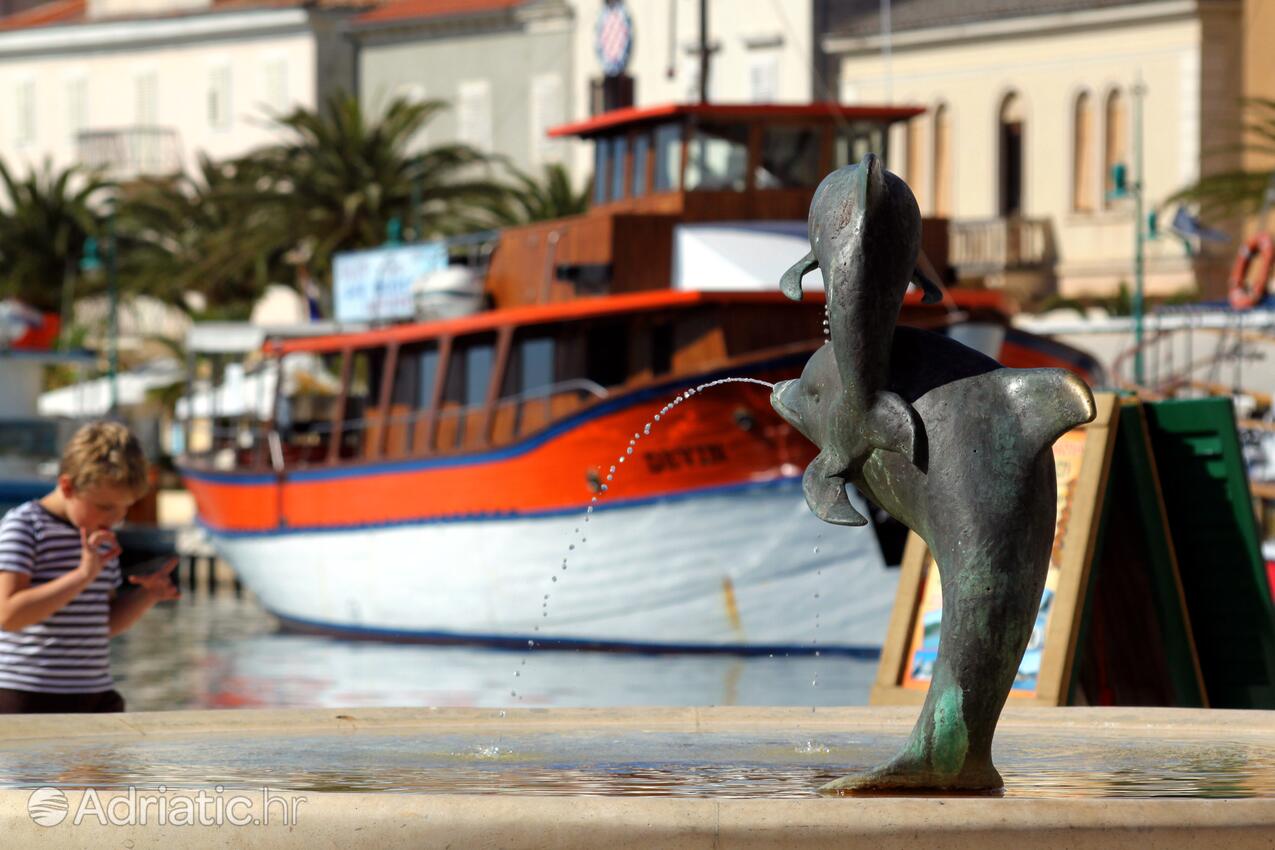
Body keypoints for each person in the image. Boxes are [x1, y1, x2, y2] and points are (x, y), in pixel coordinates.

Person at [0, 420, 179, 713]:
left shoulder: (101, 536)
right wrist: (82, 576)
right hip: (26, 696)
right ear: (67, 486)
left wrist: (147, 597)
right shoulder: (24, 528)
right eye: (106, 506)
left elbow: (101, 624)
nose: (117, 518)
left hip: (94, 694)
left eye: (126, 507)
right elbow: (9, 615)